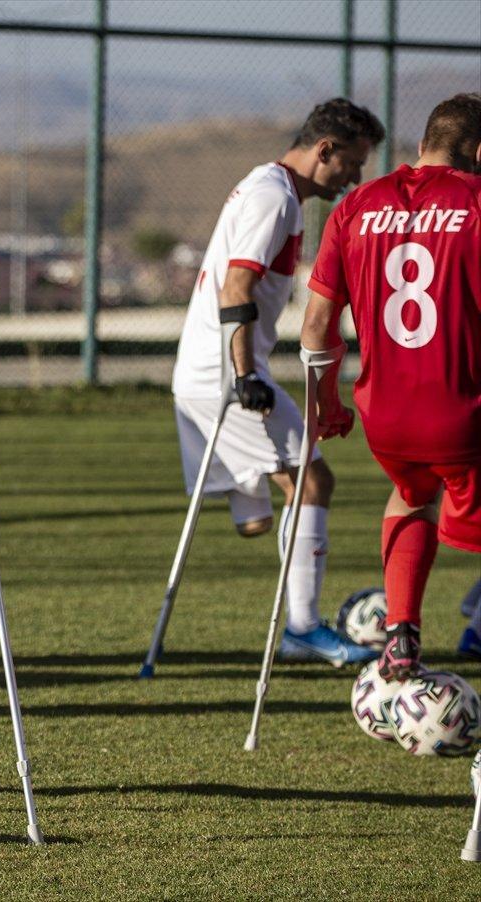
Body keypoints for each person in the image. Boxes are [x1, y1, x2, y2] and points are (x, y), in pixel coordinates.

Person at [172, 99, 386, 667]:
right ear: (325, 150)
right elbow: (237, 286)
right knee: (314, 480)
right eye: (354, 163)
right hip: (226, 375)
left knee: (265, 519)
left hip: (206, 371)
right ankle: (303, 629)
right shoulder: (275, 196)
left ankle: (298, 616)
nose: (356, 178)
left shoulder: (266, 185)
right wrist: (245, 375)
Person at [302, 92, 481, 679]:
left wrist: (324, 401)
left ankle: (401, 631)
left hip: (387, 417)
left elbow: (316, 325)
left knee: (412, 496)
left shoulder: (357, 206)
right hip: (464, 410)